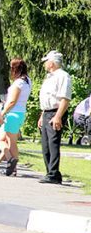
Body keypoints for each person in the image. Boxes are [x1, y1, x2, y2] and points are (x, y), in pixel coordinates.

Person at [38, 50, 72, 185]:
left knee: (53, 144)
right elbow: (47, 98)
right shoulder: (49, 77)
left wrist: (58, 116)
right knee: (45, 145)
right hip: (47, 112)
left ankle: (53, 173)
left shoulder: (63, 76)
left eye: (47, 61)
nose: (45, 64)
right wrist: (42, 115)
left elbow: (65, 98)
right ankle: (51, 172)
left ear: (51, 63)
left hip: (56, 112)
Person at [0, 58, 31, 176]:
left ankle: (12, 161)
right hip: (20, 113)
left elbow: (12, 101)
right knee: (5, 139)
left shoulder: (18, 83)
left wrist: (2, 112)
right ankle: (4, 163)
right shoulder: (27, 81)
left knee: (11, 142)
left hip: (12, 113)